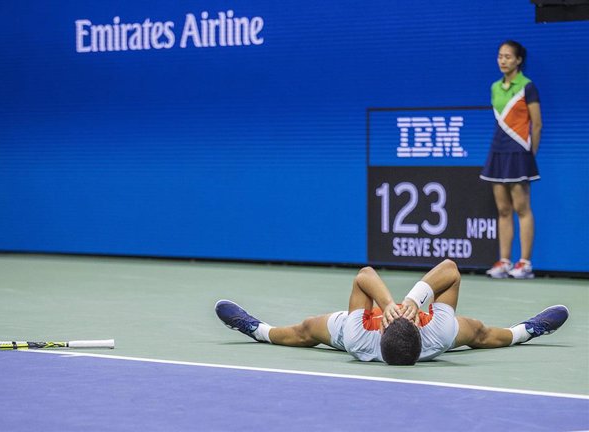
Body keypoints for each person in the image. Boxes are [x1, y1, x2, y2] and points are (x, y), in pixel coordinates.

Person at [215, 260, 569, 365]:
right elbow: (450, 269)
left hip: (360, 326)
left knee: (308, 330)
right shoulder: (438, 333)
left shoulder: (359, 337)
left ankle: (256, 329)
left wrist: (387, 306)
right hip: (425, 331)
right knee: (478, 332)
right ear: (419, 325)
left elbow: (365, 276)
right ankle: (528, 330)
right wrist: (416, 301)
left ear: (381, 330)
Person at [480, 40, 542, 279]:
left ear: (518, 60)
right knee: (503, 209)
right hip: (498, 151)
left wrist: (529, 154)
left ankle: (524, 263)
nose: (503, 60)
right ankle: (504, 261)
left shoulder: (528, 87)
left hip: (519, 153)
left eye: (508, 57)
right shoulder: (495, 87)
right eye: (500, 56)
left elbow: (536, 124)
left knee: (522, 208)